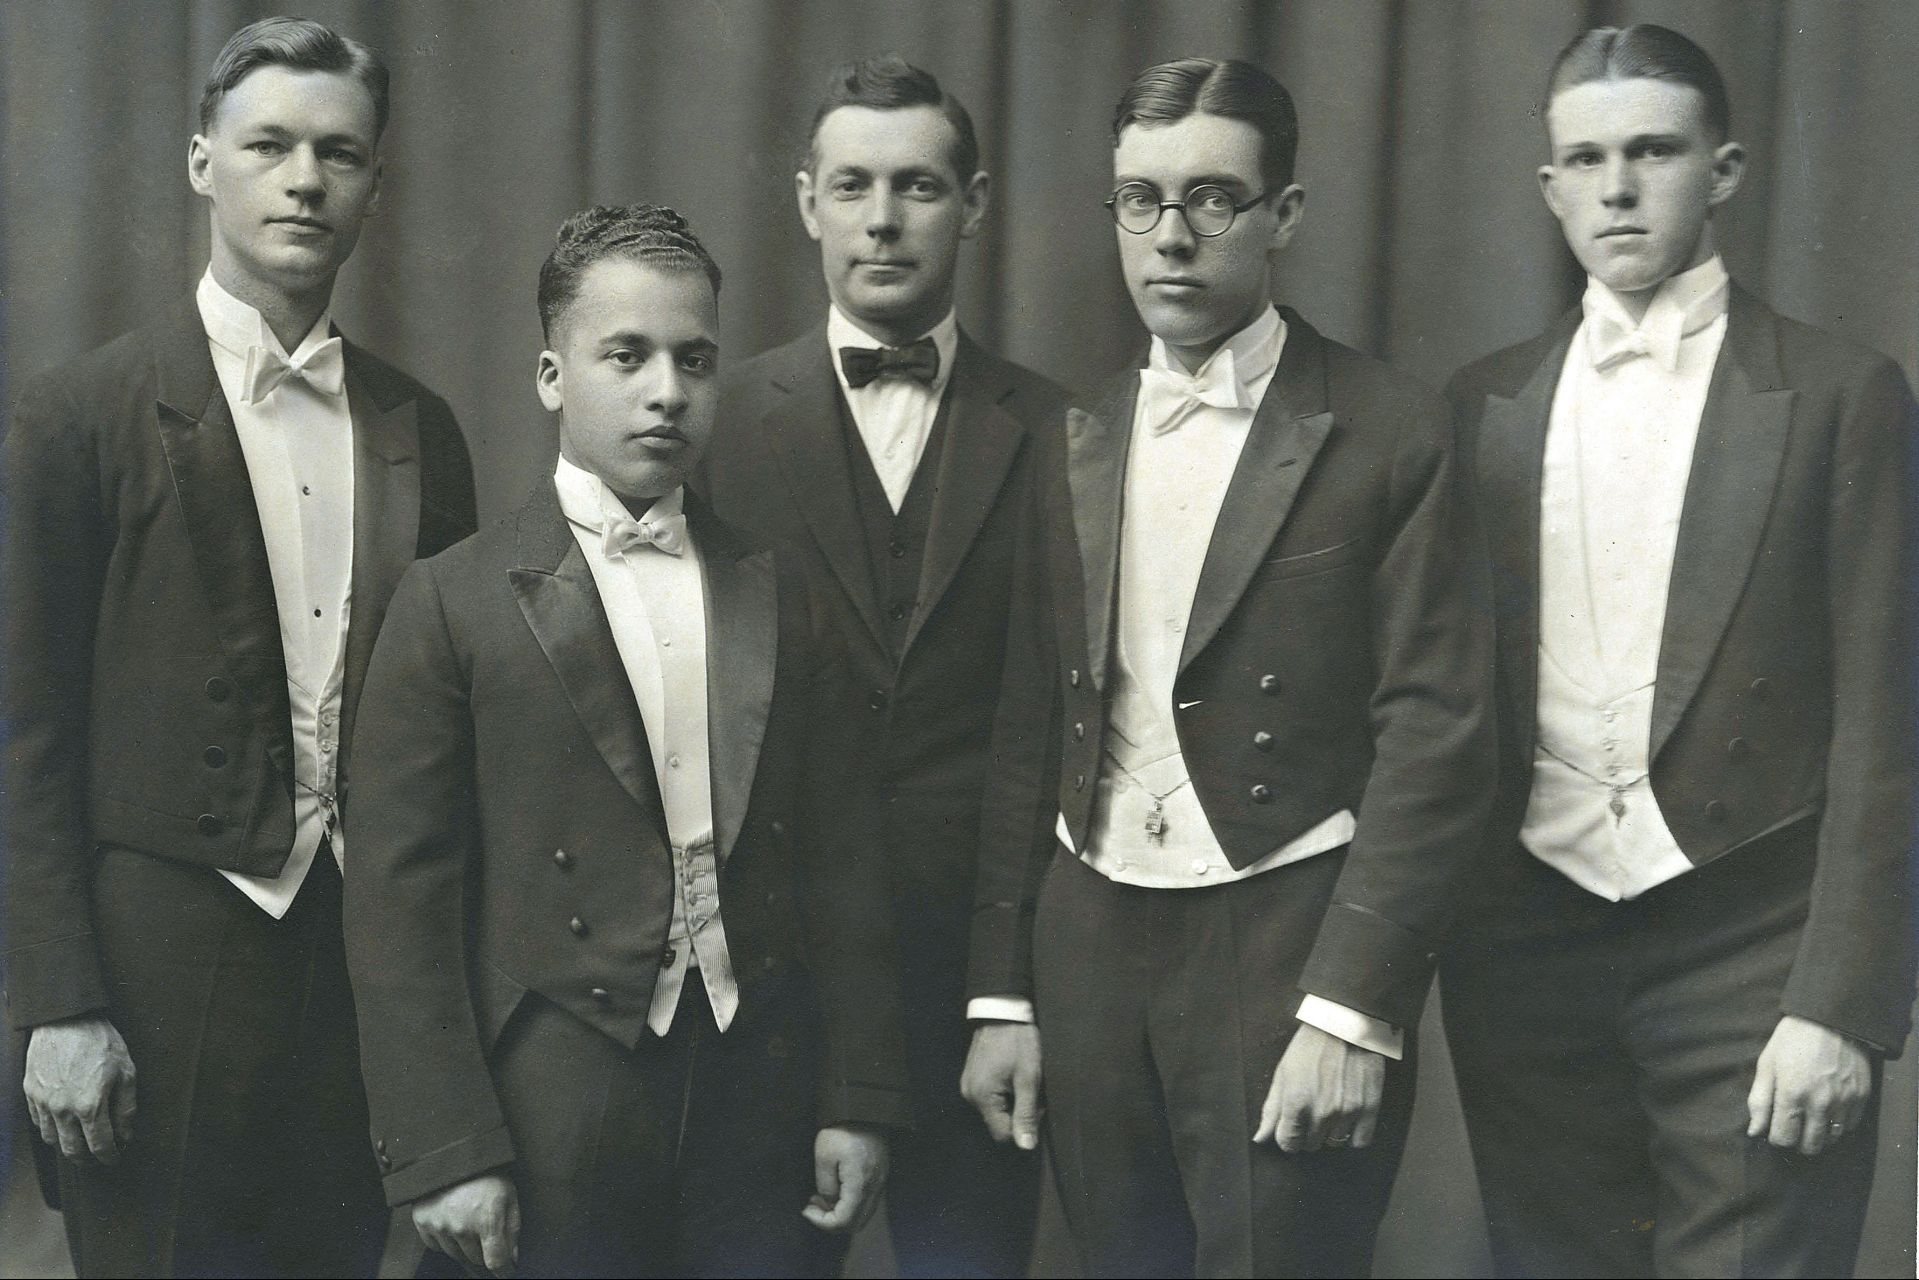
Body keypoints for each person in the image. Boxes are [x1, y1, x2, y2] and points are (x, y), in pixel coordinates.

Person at [961, 57, 1495, 1278]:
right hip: (1087, 940)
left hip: (1283, 940)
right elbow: (1026, 726)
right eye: (1138, 201)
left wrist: (1351, 1007)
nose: (1170, 237)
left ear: (1284, 217)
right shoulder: (1073, 432)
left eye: (1211, 199)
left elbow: (1436, 735)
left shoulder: (1388, 427)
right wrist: (1001, 992)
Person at [343, 204, 901, 1279]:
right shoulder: (451, 601)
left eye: (695, 359)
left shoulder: (782, 591)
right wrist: (446, 1149)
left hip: (759, 1088)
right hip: (552, 1087)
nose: (667, 390)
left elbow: (844, 862)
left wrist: (858, 1097)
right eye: (626, 355)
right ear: (553, 375)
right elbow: (397, 902)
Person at [1440, 24, 1916, 1278]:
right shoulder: (1475, 406)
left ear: (1723, 169)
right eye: (1583, 158)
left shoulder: (1838, 393)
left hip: (1752, 946)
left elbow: (1888, 721)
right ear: (1546, 187)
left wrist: (1840, 1003)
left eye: (1651, 150)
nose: (1615, 186)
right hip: (1524, 948)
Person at [3, 17, 474, 1277]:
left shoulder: (419, 427)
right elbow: (21, 731)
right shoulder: (74, 415)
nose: (304, 179)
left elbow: (450, 740)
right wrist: (59, 1001)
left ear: (376, 184)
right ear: (203, 159)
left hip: (353, 973)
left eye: (339, 152)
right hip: (149, 975)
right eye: (269, 144)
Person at [698, 54, 1068, 1278]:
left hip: (980, 991)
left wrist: (1005, 990)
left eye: (917, 184)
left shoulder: (1068, 433)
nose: (882, 216)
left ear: (972, 205)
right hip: (769, 993)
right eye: (851, 183)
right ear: (805, 200)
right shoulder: (711, 425)